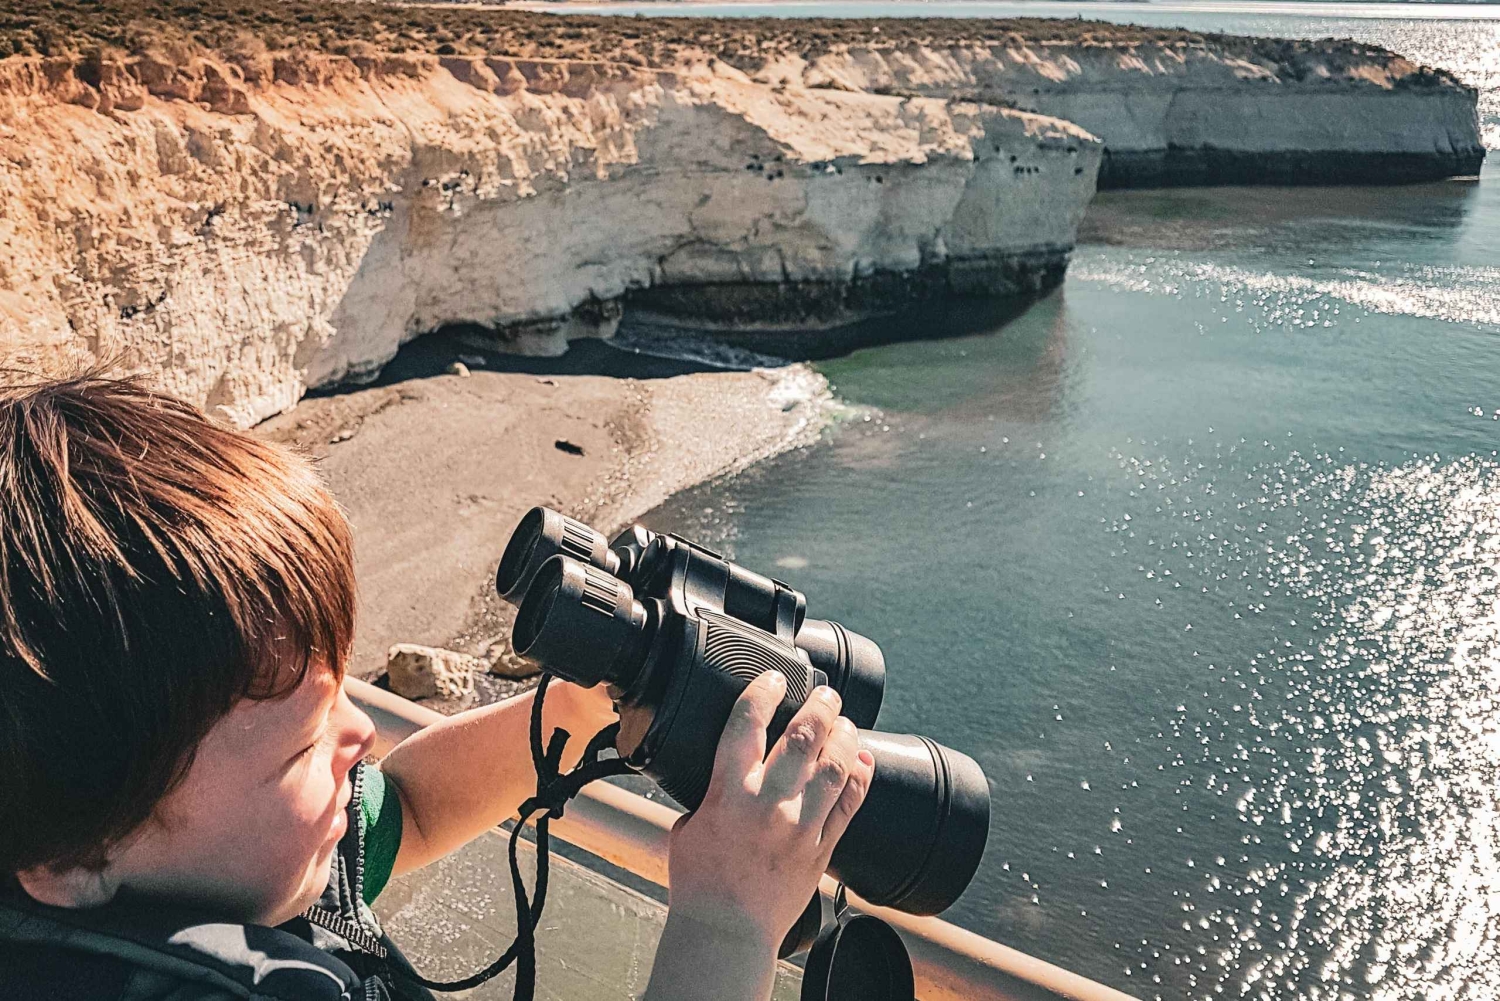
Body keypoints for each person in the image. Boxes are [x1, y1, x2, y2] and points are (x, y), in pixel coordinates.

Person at [0, 374, 874, 1001]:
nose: (363, 735)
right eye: (305, 745)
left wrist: (576, 709)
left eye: (342, 692)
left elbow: (412, 808)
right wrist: (728, 926)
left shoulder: (216, 857)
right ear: (75, 858)